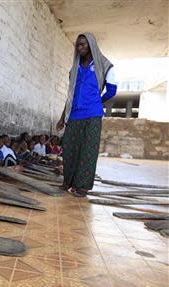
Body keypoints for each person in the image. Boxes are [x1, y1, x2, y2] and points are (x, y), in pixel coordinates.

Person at [56, 32, 117, 197]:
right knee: (69, 148)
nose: (80, 47)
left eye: (83, 44)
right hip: (75, 114)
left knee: (87, 150)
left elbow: (112, 90)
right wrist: (63, 117)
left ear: (91, 45)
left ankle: (82, 186)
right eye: (78, 44)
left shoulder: (104, 65)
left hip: (92, 115)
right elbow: (71, 95)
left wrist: (98, 101)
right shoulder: (75, 68)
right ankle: (68, 181)